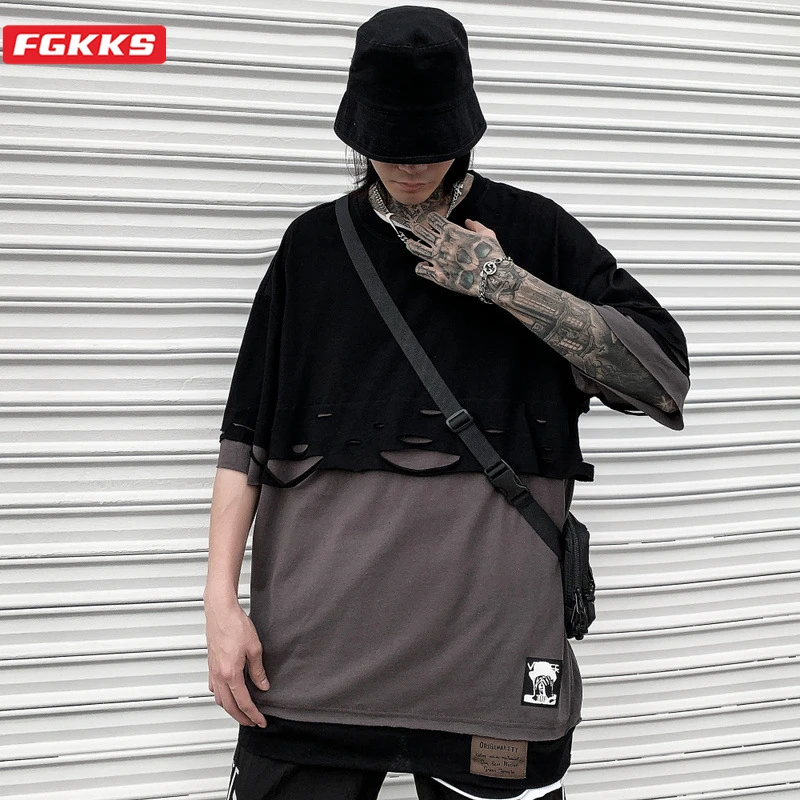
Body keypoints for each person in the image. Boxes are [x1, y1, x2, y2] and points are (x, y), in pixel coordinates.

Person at [204, 6, 691, 800]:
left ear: (464, 129)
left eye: (428, 145)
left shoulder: (534, 232)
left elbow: (661, 376)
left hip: (490, 663)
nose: (408, 166)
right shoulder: (312, 248)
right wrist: (218, 606)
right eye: (389, 145)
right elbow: (244, 443)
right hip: (314, 658)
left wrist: (509, 286)